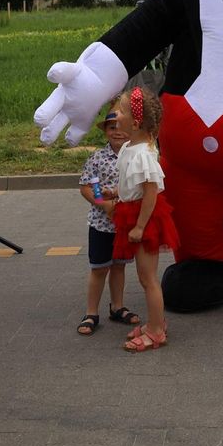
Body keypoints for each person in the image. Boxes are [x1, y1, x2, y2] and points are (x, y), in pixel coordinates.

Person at [113, 87, 179, 352]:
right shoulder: (131, 146)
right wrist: (117, 192)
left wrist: (140, 226)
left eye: (121, 110)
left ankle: (156, 331)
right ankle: (155, 321)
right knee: (144, 276)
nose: (115, 114)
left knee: (148, 277)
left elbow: (151, 191)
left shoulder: (143, 153)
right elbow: (133, 182)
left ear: (136, 122)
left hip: (145, 217)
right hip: (133, 211)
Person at [77, 101, 140, 336]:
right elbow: (86, 186)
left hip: (124, 225)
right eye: (111, 127)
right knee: (99, 268)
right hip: (101, 224)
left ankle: (117, 307)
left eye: (121, 126)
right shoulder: (97, 158)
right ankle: (91, 312)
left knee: (119, 267)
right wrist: (101, 204)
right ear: (105, 131)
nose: (117, 131)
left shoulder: (136, 156)